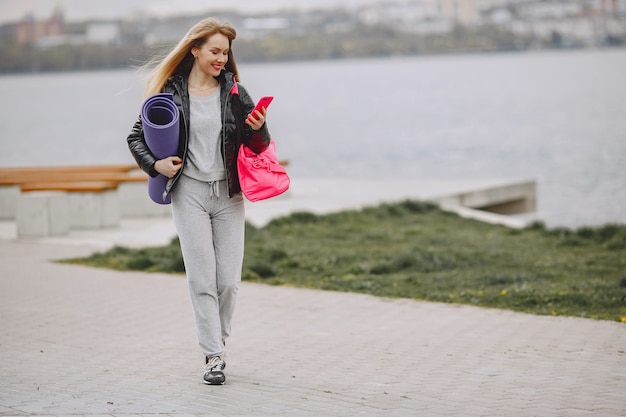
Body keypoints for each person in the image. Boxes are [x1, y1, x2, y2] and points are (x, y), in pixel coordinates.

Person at [126, 17, 271, 385]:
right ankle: (213, 355)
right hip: (188, 192)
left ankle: (216, 336)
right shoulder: (171, 93)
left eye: (226, 52)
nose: (222, 58)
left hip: (228, 193)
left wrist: (258, 128)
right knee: (201, 280)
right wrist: (155, 163)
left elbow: (259, 146)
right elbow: (135, 137)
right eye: (215, 50)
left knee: (229, 282)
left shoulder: (235, 92)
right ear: (195, 49)